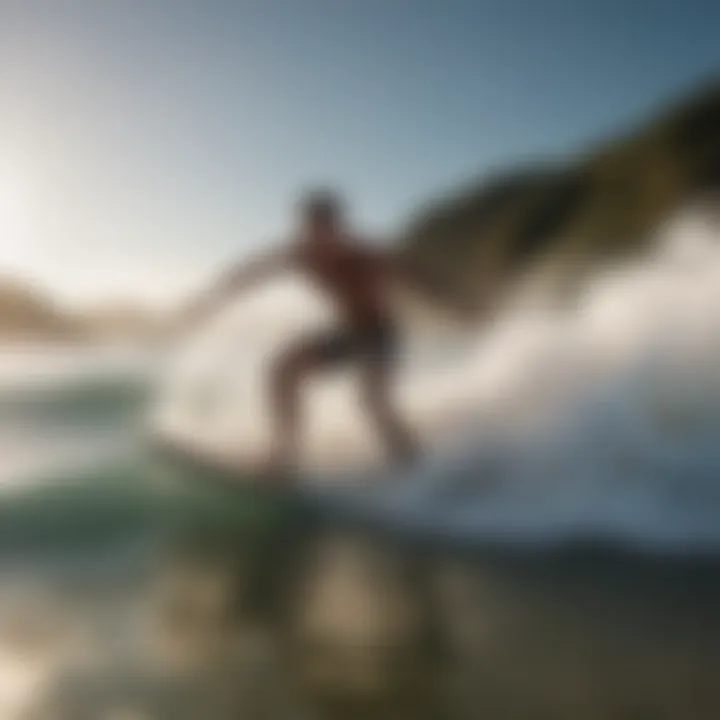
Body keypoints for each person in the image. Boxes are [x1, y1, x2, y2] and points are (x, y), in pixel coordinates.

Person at [188, 190, 478, 480]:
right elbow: (255, 269)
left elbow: (414, 273)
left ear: (338, 228)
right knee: (283, 369)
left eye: (326, 229)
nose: (320, 238)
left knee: (372, 400)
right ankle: (283, 453)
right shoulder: (302, 255)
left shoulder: (365, 256)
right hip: (346, 333)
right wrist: (216, 294)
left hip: (380, 334)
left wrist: (457, 306)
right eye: (312, 229)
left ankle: (413, 465)